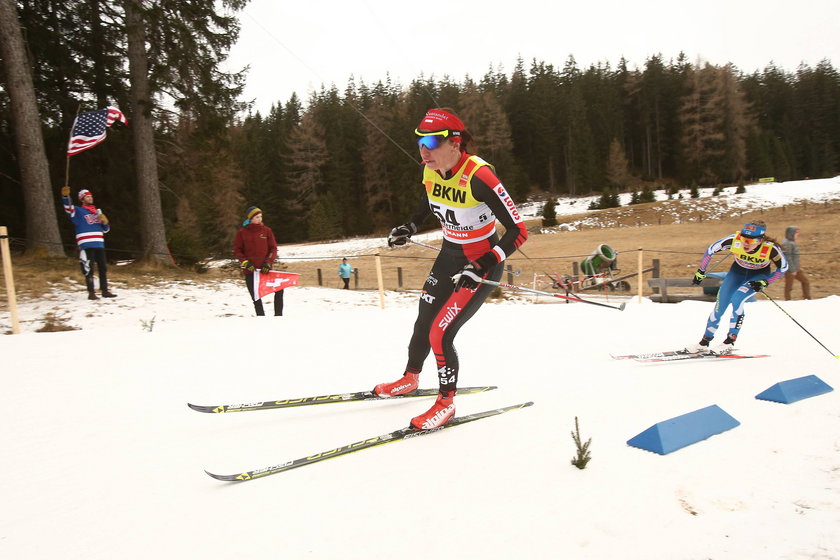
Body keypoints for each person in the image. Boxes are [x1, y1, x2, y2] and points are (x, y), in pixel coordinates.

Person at [373, 108, 528, 430]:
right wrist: (410, 225)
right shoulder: (430, 169)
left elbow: (519, 231)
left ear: (456, 144)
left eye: (431, 142)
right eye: (419, 143)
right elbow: (429, 201)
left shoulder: (480, 176)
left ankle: (446, 404)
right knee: (424, 320)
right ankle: (410, 378)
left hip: (480, 263)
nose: (424, 151)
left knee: (441, 333)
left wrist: (485, 262)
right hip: (448, 255)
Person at [689, 220, 788, 354]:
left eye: (751, 241)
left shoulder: (770, 249)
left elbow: (783, 267)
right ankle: (704, 342)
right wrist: (701, 271)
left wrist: (766, 282)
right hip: (737, 273)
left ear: (760, 240)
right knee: (720, 306)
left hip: (757, 277)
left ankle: (729, 341)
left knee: (737, 299)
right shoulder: (733, 241)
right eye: (744, 239)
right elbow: (710, 250)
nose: (746, 244)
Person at [60, 186, 116, 300]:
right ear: (82, 199)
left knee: (102, 267)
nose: (90, 198)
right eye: (87, 197)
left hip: (99, 243)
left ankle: (104, 290)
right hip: (86, 243)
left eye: (91, 196)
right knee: (88, 268)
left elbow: (105, 230)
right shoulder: (78, 211)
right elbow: (68, 209)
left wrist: (105, 222)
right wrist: (66, 197)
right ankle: (91, 292)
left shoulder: (97, 212)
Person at [233, 206, 282, 316]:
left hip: (266, 269)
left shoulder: (267, 231)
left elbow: (273, 248)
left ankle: (278, 317)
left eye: (261, 217)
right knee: (256, 298)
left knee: (279, 290)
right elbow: (237, 250)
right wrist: (245, 263)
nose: (259, 219)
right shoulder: (242, 232)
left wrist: (268, 262)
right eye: (256, 217)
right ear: (250, 218)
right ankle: (261, 318)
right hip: (250, 271)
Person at [780, 225, 811, 300]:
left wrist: (798, 266)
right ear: (791, 233)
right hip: (790, 269)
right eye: (796, 233)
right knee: (789, 286)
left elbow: (794, 257)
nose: (797, 234)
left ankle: (807, 298)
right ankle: (788, 300)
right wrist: (792, 270)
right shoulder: (786, 243)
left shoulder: (792, 243)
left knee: (805, 282)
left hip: (796, 269)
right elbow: (788, 258)